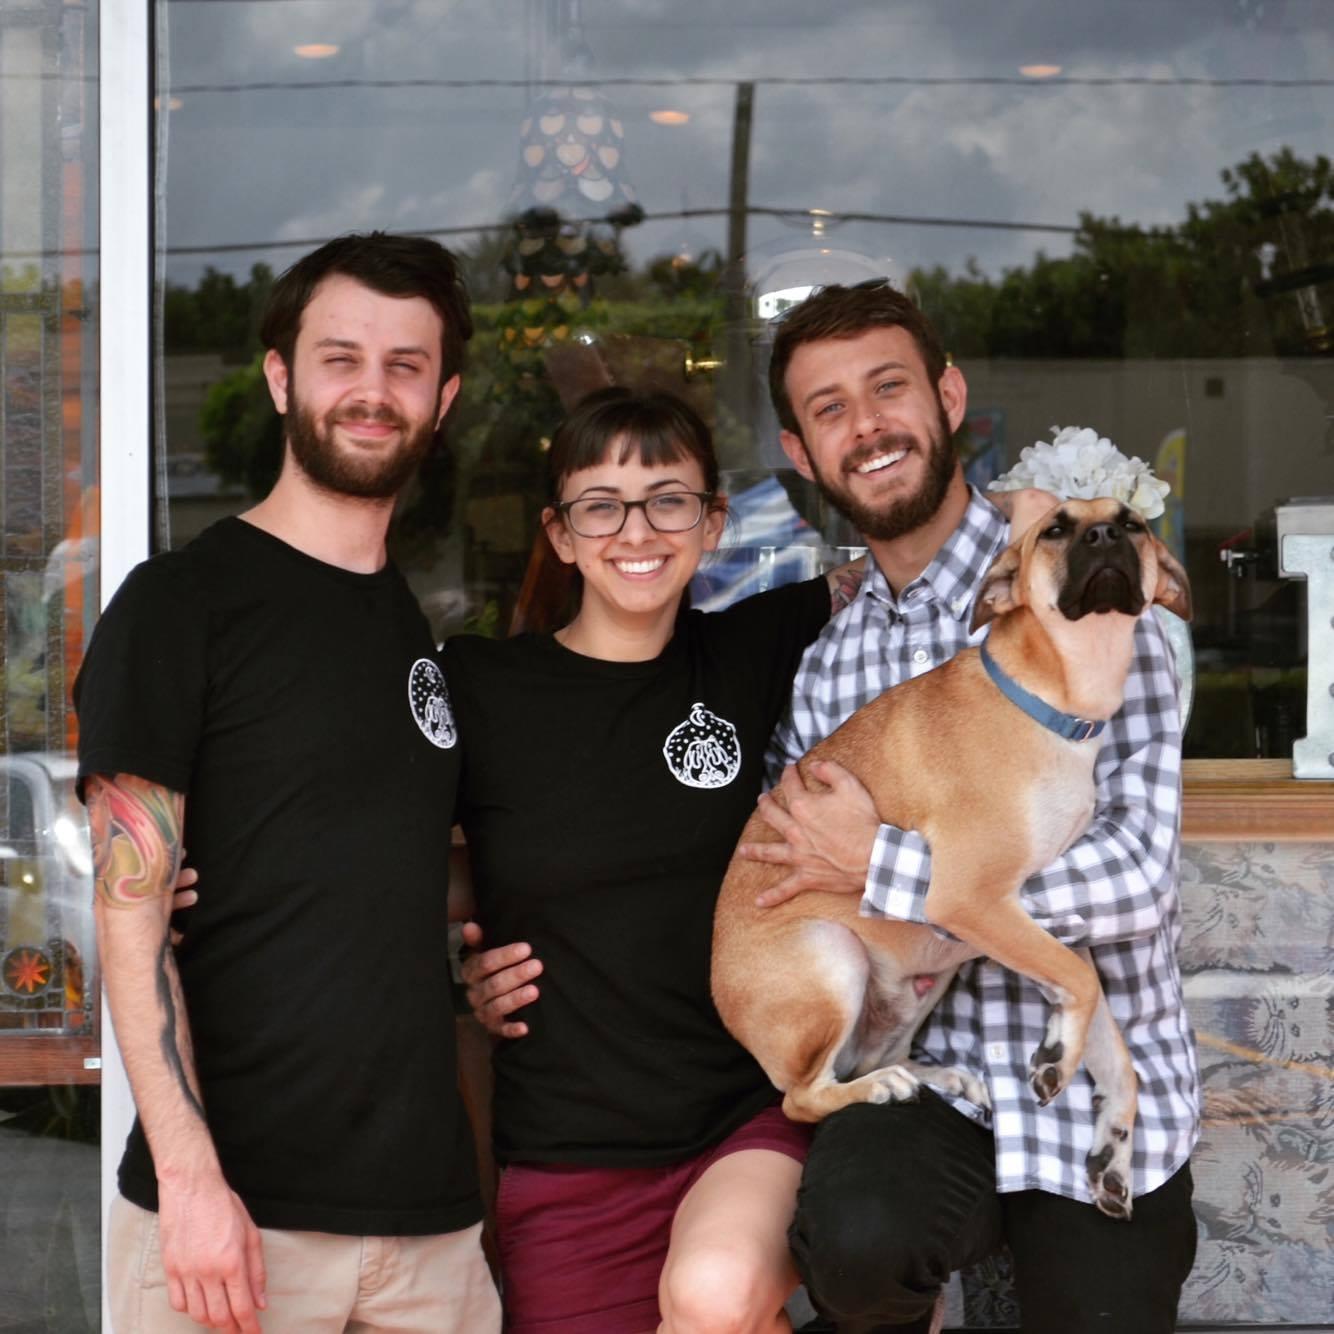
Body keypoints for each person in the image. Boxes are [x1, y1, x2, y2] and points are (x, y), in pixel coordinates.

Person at [735, 280, 1201, 1333]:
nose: (867, 426)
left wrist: (889, 866)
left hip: (1092, 1100)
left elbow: (1137, 878)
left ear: (948, 397)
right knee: (854, 1245)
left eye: (888, 387)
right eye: (830, 408)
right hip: (926, 1081)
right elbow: (790, 869)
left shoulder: (1089, 589)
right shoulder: (826, 663)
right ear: (801, 452)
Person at [75, 232, 501, 1334]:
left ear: (443, 399)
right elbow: (129, 910)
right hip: (235, 1225)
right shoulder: (182, 604)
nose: (372, 390)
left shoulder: (406, 622)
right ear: (280, 378)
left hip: (429, 1224)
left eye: (405, 365)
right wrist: (190, 1180)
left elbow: (370, 872)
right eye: (339, 358)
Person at [446, 386, 862, 1334]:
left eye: (669, 500)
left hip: (741, 1122)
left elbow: (911, 557)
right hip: (567, 1159)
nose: (637, 530)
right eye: (601, 505)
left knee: (714, 1295)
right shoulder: (483, 687)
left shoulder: (753, 649)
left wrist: (1055, 511)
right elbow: (388, 856)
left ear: (713, 522)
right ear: (559, 534)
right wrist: (458, 976)